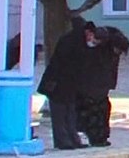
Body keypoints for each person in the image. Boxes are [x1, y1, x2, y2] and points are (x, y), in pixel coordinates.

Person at [38, 18, 92, 150]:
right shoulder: (72, 42)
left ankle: (71, 140)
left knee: (68, 113)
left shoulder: (72, 41)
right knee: (61, 114)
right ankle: (64, 141)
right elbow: (62, 65)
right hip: (58, 84)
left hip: (66, 84)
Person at [77, 26, 129, 146]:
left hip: (100, 85)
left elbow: (111, 70)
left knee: (101, 111)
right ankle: (97, 138)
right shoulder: (102, 46)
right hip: (92, 85)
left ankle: (100, 138)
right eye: (119, 50)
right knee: (95, 111)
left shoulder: (110, 49)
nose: (119, 53)